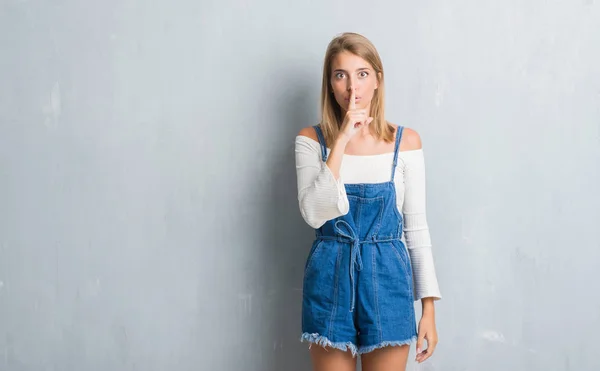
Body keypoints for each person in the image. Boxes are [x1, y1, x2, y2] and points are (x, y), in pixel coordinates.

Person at [294, 32, 442, 371]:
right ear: (330, 85)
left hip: (388, 277)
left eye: (362, 73)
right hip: (329, 277)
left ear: (378, 80)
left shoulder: (405, 142)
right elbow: (314, 213)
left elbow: (416, 230)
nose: (352, 87)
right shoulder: (310, 141)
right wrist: (343, 138)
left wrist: (429, 310)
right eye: (340, 75)